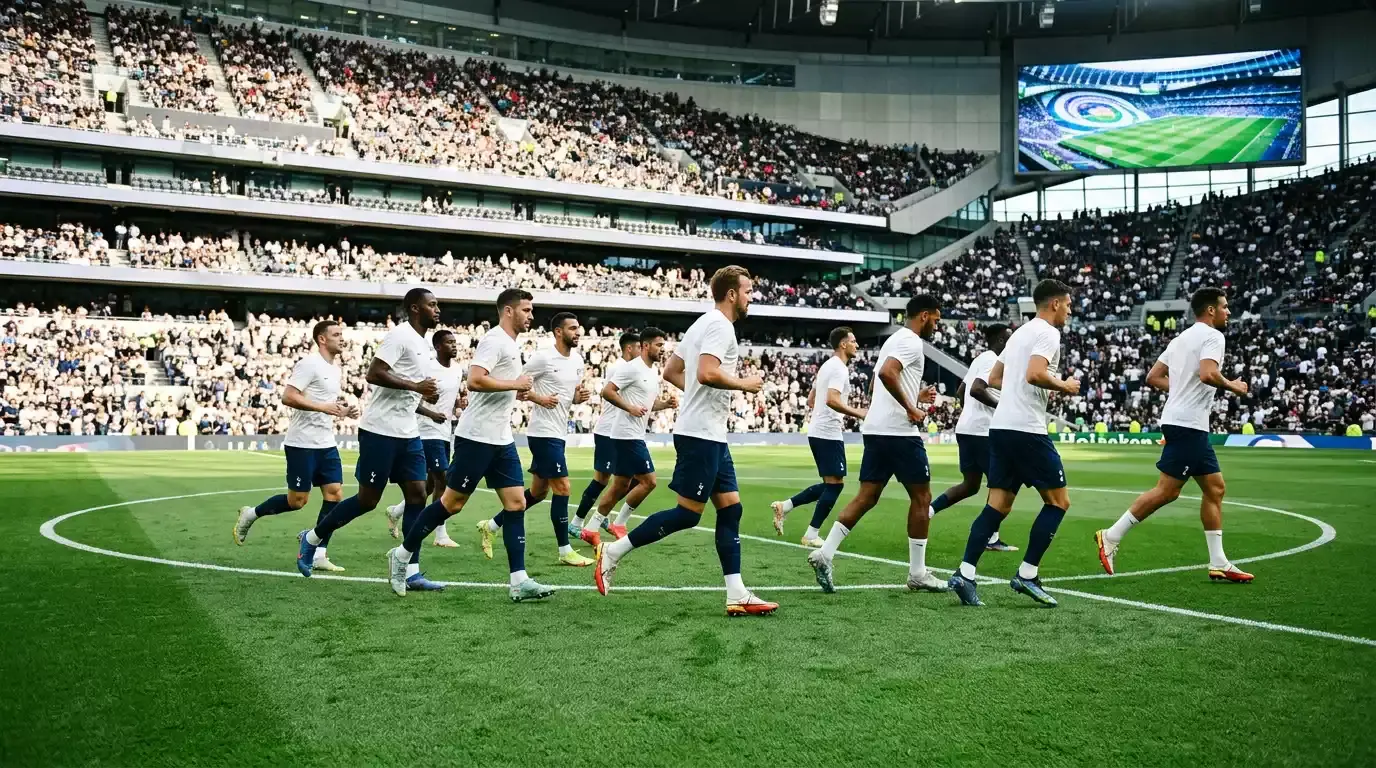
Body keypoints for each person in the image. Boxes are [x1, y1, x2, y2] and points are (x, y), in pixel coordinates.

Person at [593, 266, 778, 616]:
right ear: (732, 294)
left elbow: (671, 371)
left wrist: (696, 392)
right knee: (688, 514)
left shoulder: (701, 323)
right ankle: (612, 552)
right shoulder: (720, 326)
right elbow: (706, 373)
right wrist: (743, 384)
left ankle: (737, 593)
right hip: (700, 434)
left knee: (731, 509)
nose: (751, 298)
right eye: (748, 291)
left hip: (711, 434)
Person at [386, 289, 552, 602]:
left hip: (501, 438)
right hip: (476, 437)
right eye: (526, 310)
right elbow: (475, 380)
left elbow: (499, 385)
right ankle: (402, 554)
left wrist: (521, 392)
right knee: (451, 504)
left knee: (516, 503)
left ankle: (519, 580)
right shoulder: (494, 340)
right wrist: (515, 384)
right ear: (508, 311)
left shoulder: (511, 344)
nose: (531, 316)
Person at [1095, 287, 1254, 583]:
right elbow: (1208, 373)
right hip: (1188, 424)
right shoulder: (1213, 336)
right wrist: (1234, 386)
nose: (1228, 312)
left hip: (1185, 422)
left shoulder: (1180, 339)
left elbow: (1153, 377)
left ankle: (1218, 562)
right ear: (1211, 310)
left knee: (1215, 489)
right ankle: (1111, 535)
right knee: (1167, 491)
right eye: (1225, 307)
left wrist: (1180, 389)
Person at [948, 279, 1080, 607]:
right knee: (1059, 502)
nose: (1070, 310)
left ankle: (965, 573)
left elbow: (993, 378)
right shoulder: (1049, 333)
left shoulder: (1019, 333)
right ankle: (1027, 574)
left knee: (998, 506)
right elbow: (1035, 373)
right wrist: (1064, 385)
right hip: (1027, 430)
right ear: (1054, 304)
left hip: (1001, 428)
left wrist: (1020, 391)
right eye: (1068, 304)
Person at [295, 290, 440, 587]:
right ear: (415, 308)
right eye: (432, 305)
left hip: (408, 431)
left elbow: (412, 386)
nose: (438, 309)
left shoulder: (424, 344)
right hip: (380, 431)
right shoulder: (400, 335)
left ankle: (410, 571)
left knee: (418, 494)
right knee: (367, 500)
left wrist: (424, 395)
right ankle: (312, 537)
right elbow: (374, 374)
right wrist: (416, 386)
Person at [806, 297, 948, 594]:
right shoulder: (911, 341)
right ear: (924, 316)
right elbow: (886, 374)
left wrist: (915, 394)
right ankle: (918, 573)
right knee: (922, 498)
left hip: (875, 430)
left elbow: (875, 385)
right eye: (935, 320)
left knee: (867, 496)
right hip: (899, 433)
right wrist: (911, 407)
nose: (936, 326)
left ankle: (825, 553)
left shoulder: (892, 341)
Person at [234, 319, 358, 573]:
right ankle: (251, 514)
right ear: (322, 339)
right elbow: (288, 396)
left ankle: (319, 553)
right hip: (302, 443)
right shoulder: (309, 364)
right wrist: (322, 407)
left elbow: (325, 404)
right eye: (336, 334)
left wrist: (342, 411)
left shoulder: (335, 369)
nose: (342, 338)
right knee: (297, 501)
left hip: (326, 442)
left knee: (335, 494)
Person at [477, 312, 594, 568]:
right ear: (558, 332)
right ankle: (565, 550)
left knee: (539, 492)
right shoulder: (543, 357)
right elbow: (518, 387)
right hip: (543, 433)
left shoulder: (577, 360)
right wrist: (539, 399)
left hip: (559, 433)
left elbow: (567, 395)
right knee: (563, 488)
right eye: (572, 328)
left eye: (579, 328)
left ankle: (492, 525)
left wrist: (577, 398)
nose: (578, 332)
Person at [771, 326, 867, 548]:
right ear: (843, 344)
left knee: (831, 484)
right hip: (828, 433)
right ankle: (811, 534)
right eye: (853, 341)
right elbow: (831, 399)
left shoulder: (827, 366)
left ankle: (785, 507)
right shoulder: (839, 369)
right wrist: (858, 412)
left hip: (820, 431)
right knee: (835, 485)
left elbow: (811, 399)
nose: (857, 345)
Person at [927, 323, 1016, 552]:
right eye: (1009, 339)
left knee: (971, 485)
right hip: (982, 432)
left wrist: (971, 414)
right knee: (1001, 485)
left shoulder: (980, 359)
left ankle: (928, 511)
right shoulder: (992, 360)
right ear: (1000, 341)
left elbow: (961, 391)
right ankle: (991, 537)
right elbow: (976, 389)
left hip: (967, 429)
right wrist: (1000, 407)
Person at [585, 326, 678, 539]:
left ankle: (590, 529)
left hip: (632, 434)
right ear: (645, 346)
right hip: (627, 435)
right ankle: (620, 523)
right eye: (658, 345)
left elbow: (647, 405)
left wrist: (665, 404)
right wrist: (629, 408)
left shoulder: (651, 372)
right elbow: (607, 391)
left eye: (663, 345)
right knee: (649, 481)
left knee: (620, 486)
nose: (662, 349)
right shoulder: (631, 368)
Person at [384, 329, 466, 549]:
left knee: (429, 485)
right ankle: (440, 533)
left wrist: (458, 405)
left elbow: (452, 395)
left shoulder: (458, 369)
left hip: (445, 431)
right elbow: (410, 399)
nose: (454, 345)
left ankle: (396, 511)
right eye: (449, 342)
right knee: (443, 479)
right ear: (437, 346)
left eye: (455, 342)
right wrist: (431, 413)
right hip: (426, 431)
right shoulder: (426, 368)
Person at [570, 331, 641, 538]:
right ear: (629, 348)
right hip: (608, 432)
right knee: (603, 480)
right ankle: (577, 522)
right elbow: (612, 395)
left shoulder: (628, 368)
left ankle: (602, 515)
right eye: (639, 347)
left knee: (637, 478)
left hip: (620, 432)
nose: (641, 351)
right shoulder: (620, 368)